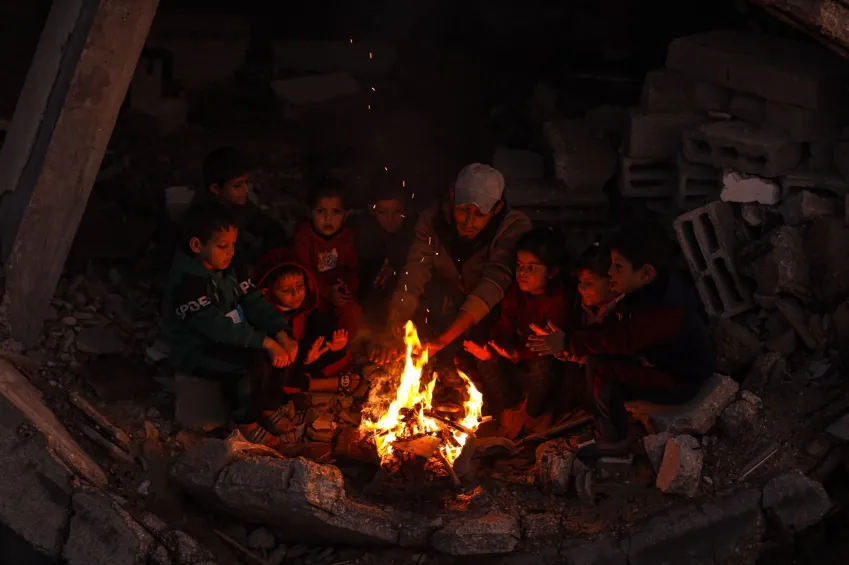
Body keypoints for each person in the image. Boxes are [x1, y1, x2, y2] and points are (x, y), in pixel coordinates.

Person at [527, 223, 715, 458]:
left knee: (601, 369)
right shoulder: (645, 293)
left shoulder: (666, 310)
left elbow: (622, 339)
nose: (610, 274)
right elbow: (612, 331)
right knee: (596, 363)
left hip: (679, 381)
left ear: (646, 272)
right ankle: (605, 426)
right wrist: (570, 347)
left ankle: (614, 440)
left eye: (617, 267)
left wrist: (568, 343)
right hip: (656, 363)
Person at [160, 202, 298, 447]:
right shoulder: (187, 281)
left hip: (231, 333)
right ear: (196, 245)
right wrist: (263, 341)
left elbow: (252, 298)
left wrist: (280, 333)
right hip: (199, 347)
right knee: (250, 365)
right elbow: (216, 326)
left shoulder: (230, 265)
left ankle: (266, 406)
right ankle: (244, 421)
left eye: (233, 244)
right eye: (223, 246)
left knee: (281, 344)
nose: (230, 252)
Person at [370, 163, 532, 362]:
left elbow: (494, 284)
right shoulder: (433, 221)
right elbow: (414, 274)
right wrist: (394, 328)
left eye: (480, 214)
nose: (468, 222)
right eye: (463, 210)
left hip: (495, 318)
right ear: (453, 196)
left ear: (497, 208)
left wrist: (443, 340)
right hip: (447, 309)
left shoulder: (512, 226)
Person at [462, 228, 569, 437]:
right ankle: (511, 409)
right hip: (515, 358)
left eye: (532, 268)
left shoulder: (557, 300)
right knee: (485, 359)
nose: (522, 273)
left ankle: (534, 415)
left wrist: (517, 354)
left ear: (552, 272)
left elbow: (548, 346)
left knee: (544, 364)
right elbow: (505, 322)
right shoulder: (514, 292)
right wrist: (494, 347)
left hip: (540, 361)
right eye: (519, 266)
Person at [254, 248, 360, 393]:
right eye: (286, 290)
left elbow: (319, 332)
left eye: (300, 286)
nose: (296, 293)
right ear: (267, 292)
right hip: (282, 366)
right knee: (276, 380)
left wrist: (334, 345)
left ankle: (308, 379)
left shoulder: (307, 308)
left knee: (341, 354)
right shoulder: (268, 317)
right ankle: (325, 384)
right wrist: (304, 360)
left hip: (305, 359)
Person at [293, 180, 364, 341]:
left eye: (335, 212)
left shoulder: (347, 238)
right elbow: (303, 272)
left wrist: (347, 288)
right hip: (313, 294)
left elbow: (353, 269)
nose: (328, 218)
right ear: (310, 212)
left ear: (345, 215)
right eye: (321, 211)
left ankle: (348, 351)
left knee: (353, 312)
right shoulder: (304, 238)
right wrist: (326, 291)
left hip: (338, 293)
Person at [200, 146, 285, 258]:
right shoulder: (205, 218)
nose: (246, 189)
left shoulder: (237, 203)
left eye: (246, 182)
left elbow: (267, 226)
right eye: (237, 185)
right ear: (216, 188)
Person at [354, 174, 416, 326]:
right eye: (383, 212)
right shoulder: (363, 233)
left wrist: (395, 268)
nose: (390, 218)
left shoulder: (414, 233)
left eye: (396, 212)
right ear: (373, 210)